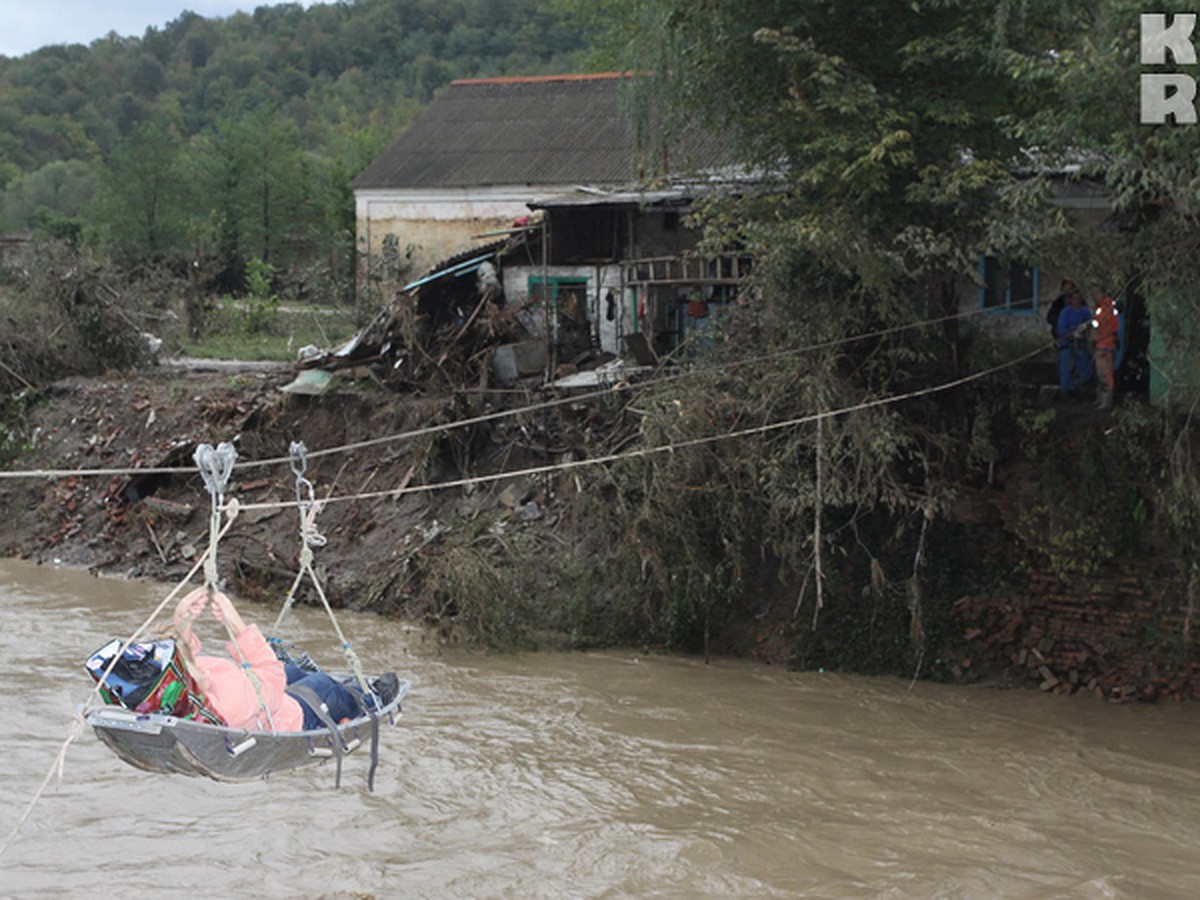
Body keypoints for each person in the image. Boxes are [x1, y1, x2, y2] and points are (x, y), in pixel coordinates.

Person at [173, 587, 397, 732]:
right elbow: (271, 679)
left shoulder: (181, 692)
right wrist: (238, 626)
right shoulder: (227, 707)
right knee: (323, 685)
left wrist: (182, 620)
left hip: (254, 697)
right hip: (287, 718)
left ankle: (309, 678)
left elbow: (185, 661)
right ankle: (371, 699)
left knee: (292, 672)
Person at [1055, 286, 1093, 399]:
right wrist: (1072, 333)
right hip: (1067, 344)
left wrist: (1086, 330)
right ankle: (1065, 392)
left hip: (1081, 345)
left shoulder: (1085, 311)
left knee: (1086, 371)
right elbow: (1061, 329)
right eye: (1075, 298)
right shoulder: (1065, 313)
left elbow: (1091, 324)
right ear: (1070, 300)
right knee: (1066, 369)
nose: (1077, 300)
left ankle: (1075, 387)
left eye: (1079, 298)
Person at [1091, 293, 1120, 409]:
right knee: (1100, 374)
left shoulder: (1106, 309)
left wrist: (1096, 336)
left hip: (1105, 346)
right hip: (1101, 345)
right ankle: (1100, 399)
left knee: (1105, 374)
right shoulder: (1101, 308)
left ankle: (1106, 401)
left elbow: (1105, 328)